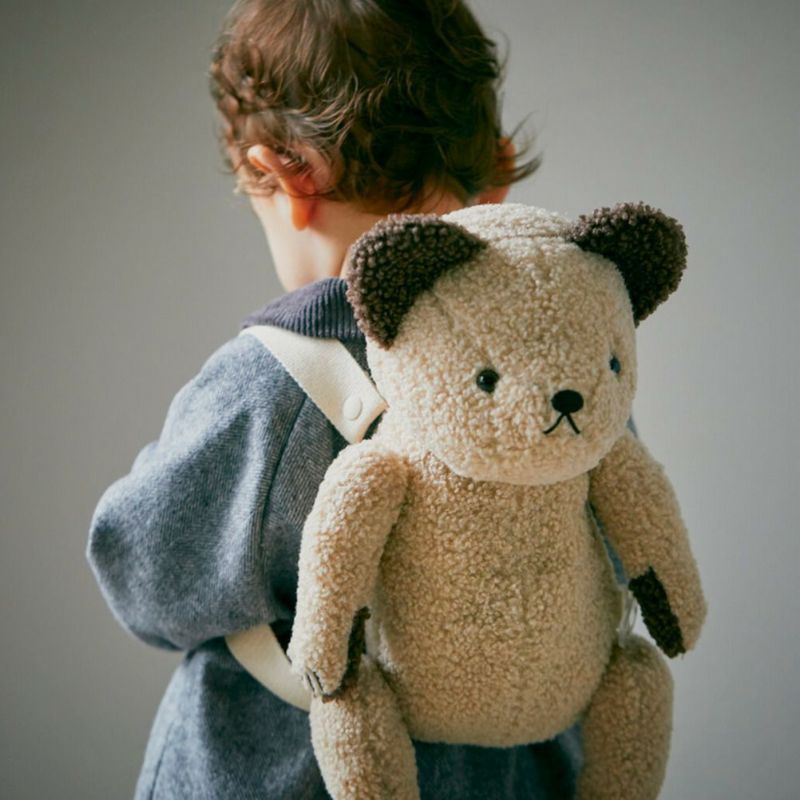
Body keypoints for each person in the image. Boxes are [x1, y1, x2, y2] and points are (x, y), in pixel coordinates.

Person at [87, 1, 582, 796]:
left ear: (289, 179)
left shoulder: (272, 384)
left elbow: (146, 575)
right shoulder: (566, 358)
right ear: (497, 172)